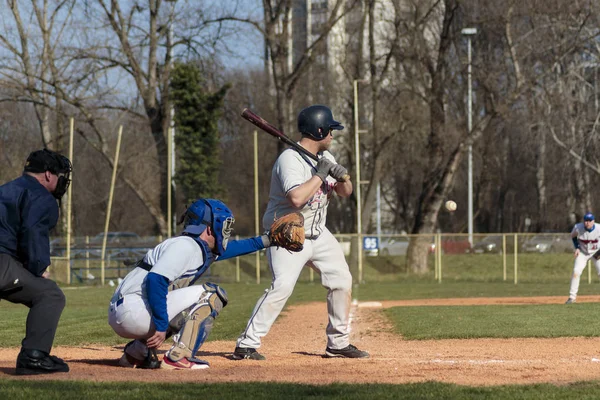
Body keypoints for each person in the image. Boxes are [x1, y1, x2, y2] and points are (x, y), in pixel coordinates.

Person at [233, 104, 369, 360]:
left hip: (318, 232)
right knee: (282, 287)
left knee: (342, 280)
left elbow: (345, 192)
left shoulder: (326, 158)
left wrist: (343, 178)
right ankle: (245, 345)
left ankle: (338, 344)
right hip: (287, 233)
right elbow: (297, 198)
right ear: (319, 131)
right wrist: (320, 174)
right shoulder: (290, 160)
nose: (333, 135)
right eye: (330, 130)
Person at [109, 198, 281, 370]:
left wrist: (266, 240)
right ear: (209, 228)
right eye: (224, 226)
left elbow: (233, 248)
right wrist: (161, 326)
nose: (226, 232)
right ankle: (179, 357)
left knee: (177, 310)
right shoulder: (187, 246)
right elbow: (156, 280)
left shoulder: (193, 246)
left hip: (127, 311)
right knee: (212, 294)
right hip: (134, 311)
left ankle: (135, 354)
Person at [0, 149, 72, 375]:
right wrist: (38, 268)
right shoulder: (41, 196)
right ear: (49, 175)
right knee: (50, 294)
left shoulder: (5, 190)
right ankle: (34, 356)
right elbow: (32, 232)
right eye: (61, 175)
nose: (63, 181)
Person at [565, 212, 600, 304]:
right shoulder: (578, 227)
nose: (587, 223)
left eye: (589, 221)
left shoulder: (598, 228)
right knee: (576, 271)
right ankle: (572, 298)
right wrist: (577, 247)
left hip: (596, 252)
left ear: (593, 221)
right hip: (583, 253)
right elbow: (573, 237)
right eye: (585, 221)